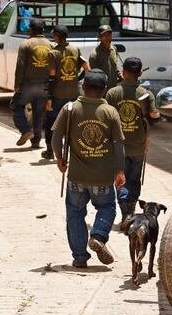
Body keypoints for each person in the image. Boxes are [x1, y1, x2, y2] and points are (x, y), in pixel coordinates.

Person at [52, 69, 126, 268]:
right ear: (104, 90)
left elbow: (56, 137)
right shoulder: (110, 112)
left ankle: (80, 257)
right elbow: (118, 145)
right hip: (102, 177)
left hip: (76, 176)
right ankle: (98, 236)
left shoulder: (70, 109)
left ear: (83, 87)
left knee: (75, 213)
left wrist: (59, 158)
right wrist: (120, 171)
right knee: (107, 207)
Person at [105, 57, 160, 230]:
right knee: (134, 180)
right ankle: (130, 210)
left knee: (120, 179)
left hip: (117, 145)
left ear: (123, 72)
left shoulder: (113, 93)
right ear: (140, 73)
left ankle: (125, 214)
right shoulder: (146, 94)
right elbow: (155, 115)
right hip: (138, 145)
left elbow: (106, 117)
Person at [42, 25, 89, 160]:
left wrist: (49, 97)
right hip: (73, 94)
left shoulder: (53, 54)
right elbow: (87, 68)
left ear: (57, 36)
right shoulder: (75, 49)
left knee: (53, 124)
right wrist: (76, 79)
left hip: (57, 95)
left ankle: (50, 150)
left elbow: (51, 77)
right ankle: (73, 151)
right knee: (73, 123)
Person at [12, 18, 52, 147]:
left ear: (31, 30)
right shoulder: (50, 44)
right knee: (39, 113)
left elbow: (20, 65)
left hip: (28, 84)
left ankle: (26, 130)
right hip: (44, 84)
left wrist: (17, 84)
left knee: (16, 107)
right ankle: (36, 141)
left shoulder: (26, 44)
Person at [88, 24, 121, 90]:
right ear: (99, 38)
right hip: (101, 91)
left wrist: (120, 74)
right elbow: (94, 77)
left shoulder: (114, 49)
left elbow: (114, 65)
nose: (107, 38)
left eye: (109, 35)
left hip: (114, 89)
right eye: (104, 36)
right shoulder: (94, 55)